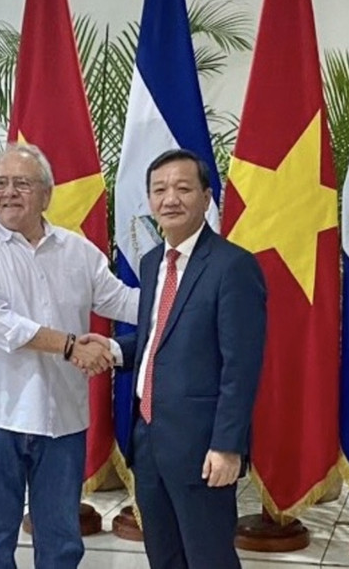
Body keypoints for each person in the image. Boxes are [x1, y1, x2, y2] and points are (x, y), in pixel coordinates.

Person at [0, 143, 138, 569]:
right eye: (0, 183)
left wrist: (188, 296)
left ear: (47, 194)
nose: (9, 192)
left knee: (62, 542)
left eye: (22, 183)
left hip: (61, 419)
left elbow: (123, 301)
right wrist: (70, 345)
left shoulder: (77, 251)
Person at [81, 148, 267, 569]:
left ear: (206, 197)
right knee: (163, 555)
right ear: (149, 200)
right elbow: (160, 339)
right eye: (159, 190)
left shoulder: (233, 266)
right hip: (148, 439)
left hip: (202, 446)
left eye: (183, 188)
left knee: (208, 558)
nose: (170, 199)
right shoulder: (152, 263)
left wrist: (228, 446)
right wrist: (113, 349)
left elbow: (240, 367)